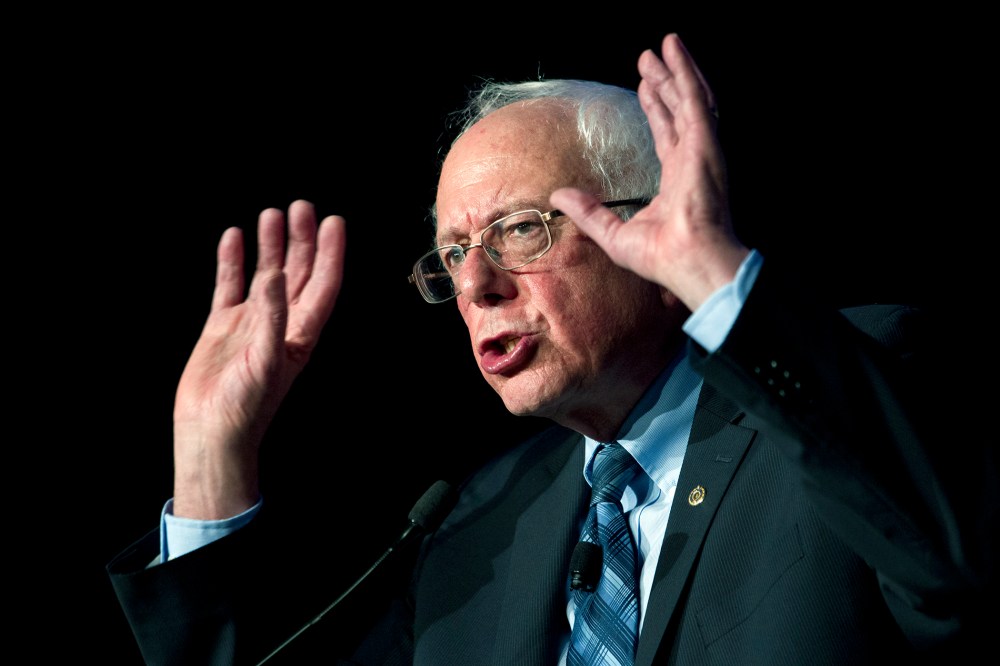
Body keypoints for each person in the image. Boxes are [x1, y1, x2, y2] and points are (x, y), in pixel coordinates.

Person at [108, 33, 994, 665]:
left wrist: (720, 282)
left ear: (645, 226)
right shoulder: (477, 525)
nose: (475, 285)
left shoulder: (847, 388)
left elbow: (958, 576)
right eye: (454, 253)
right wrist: (210, 457)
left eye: (519, 231)